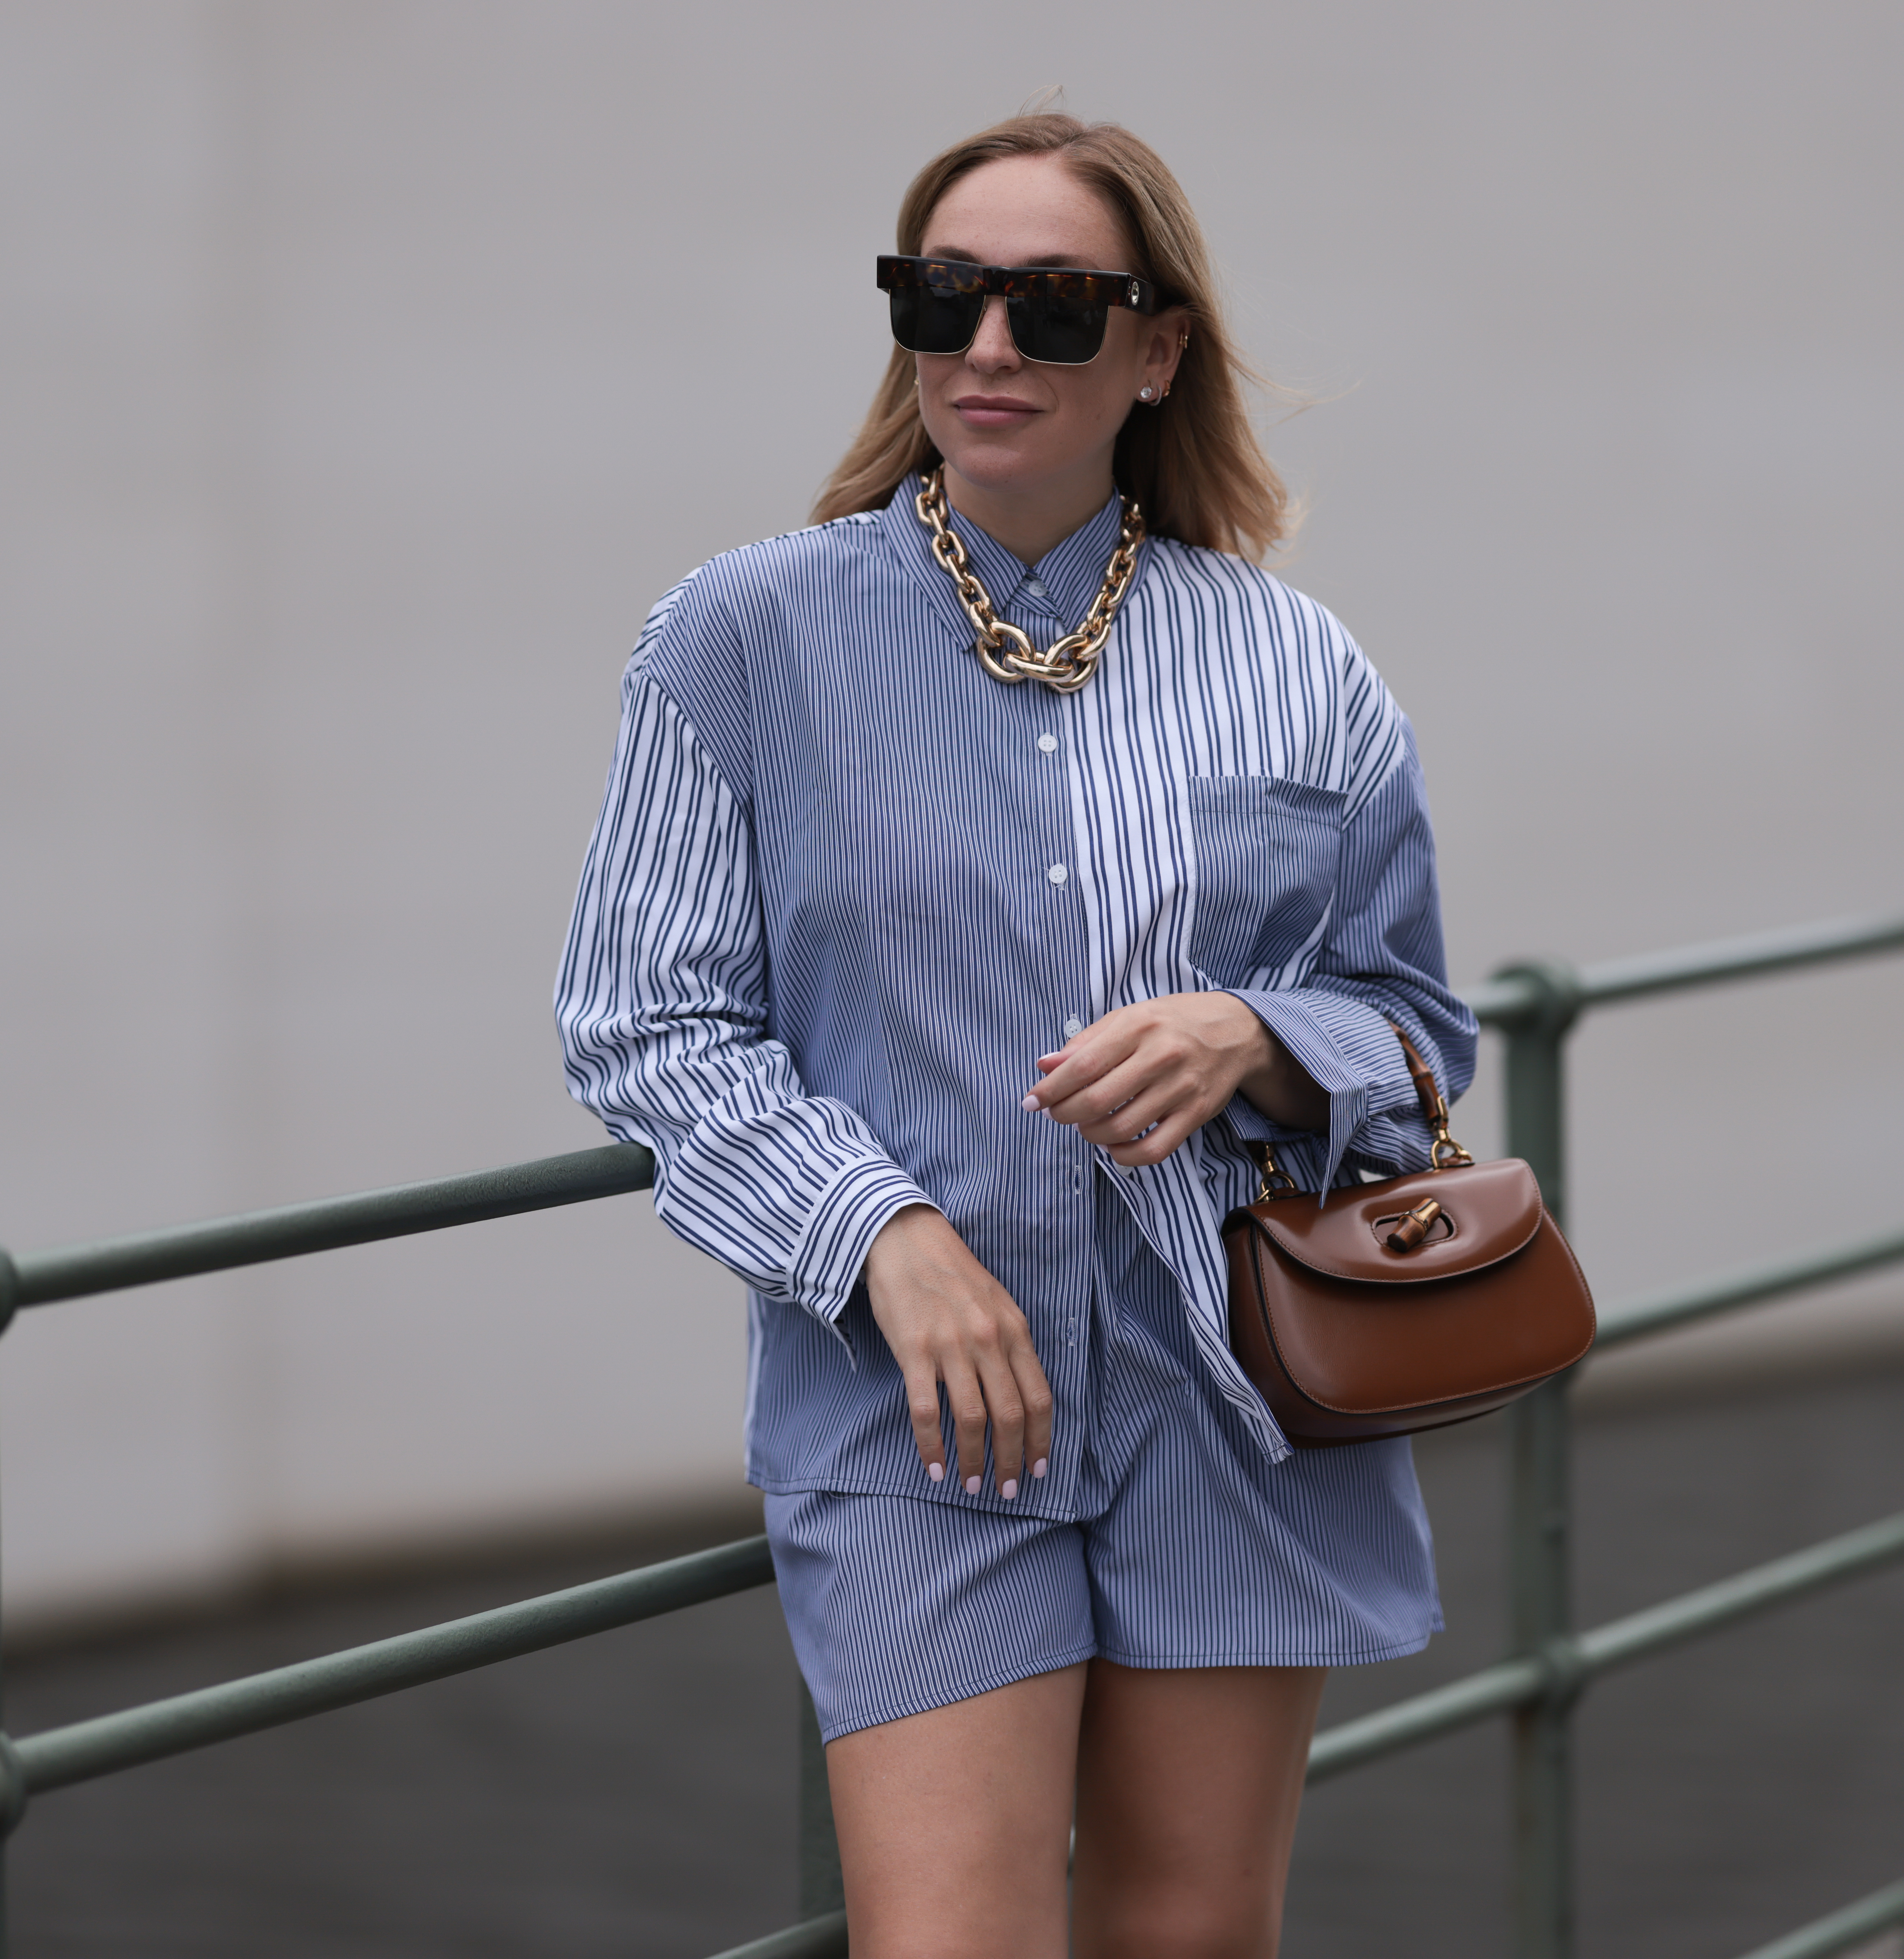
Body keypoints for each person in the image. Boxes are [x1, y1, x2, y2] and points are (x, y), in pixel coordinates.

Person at [556, 111, 1476, 1959]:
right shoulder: (741, 642)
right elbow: (644, 1021)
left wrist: (1258, 1035)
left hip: (1232, 1403)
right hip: (918, 1417)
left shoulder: (1303, 667)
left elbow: (1419, 1030)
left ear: (1154, 350)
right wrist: (879, 1237)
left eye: (1051, 307)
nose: (987, 346)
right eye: (944, 295)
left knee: (1193, 1937)